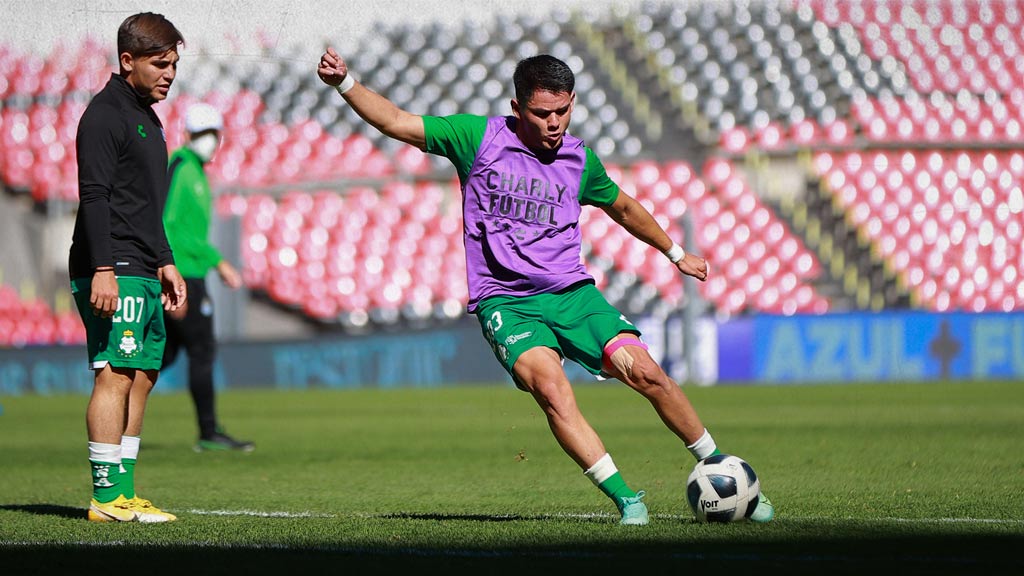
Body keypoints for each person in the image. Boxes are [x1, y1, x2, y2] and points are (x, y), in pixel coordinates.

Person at [316, 49, 774, 525]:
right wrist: (345, 83)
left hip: (573, 295)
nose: (554, 122)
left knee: (646, 373)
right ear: (517, 109)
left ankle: (725, 473)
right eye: (541, 113)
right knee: (553, 390)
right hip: (508, 303)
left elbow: (623, 208)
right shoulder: (477, 138)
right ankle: (627, 500)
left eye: (563, 111)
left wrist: (676, 254)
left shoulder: (580, 160)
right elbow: (395, 122)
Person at [69, 12, 187, 523]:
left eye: (174, 64)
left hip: (142, 263)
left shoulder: (147, 116)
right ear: (127, 60)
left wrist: (166, 261)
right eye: (160, 63)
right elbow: (95, 195)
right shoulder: (104, 115)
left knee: (141, 375)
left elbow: (146, 202)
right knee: (115, 372)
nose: (169, 74)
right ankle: (104, 497)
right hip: (110, 262)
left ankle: (125, 491)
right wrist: (102, 268)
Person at [161, 102, 254, 452]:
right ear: (187, 135)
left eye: (214, 134)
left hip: (189, 271)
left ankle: (119, 417)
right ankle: (208, 432)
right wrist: (217, 261)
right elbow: (167, 225)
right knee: (201, 350)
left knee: (166, 354)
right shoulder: (182, 168)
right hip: (183, 275)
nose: (210, 141)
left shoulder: (196, 171)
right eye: (203, 134)